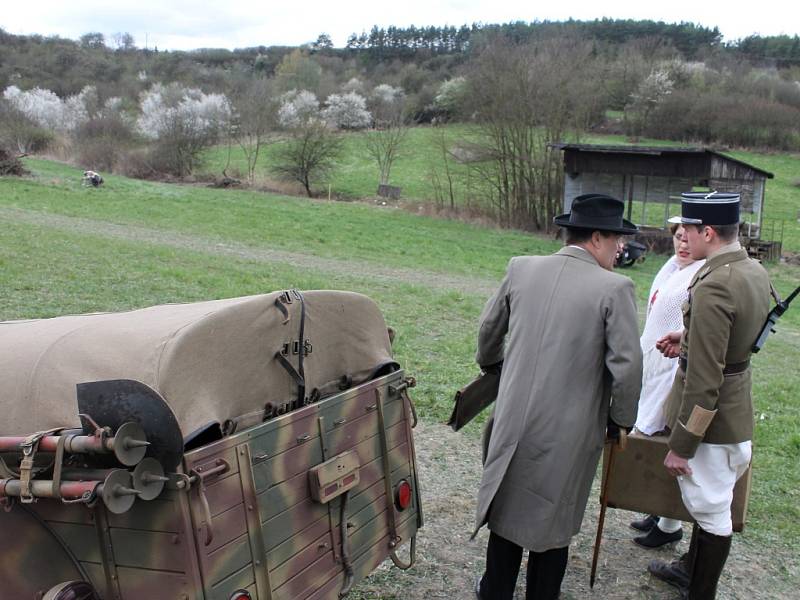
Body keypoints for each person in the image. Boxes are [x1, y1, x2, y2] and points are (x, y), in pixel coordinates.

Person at [472, 193, 643, 600]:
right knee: (553, 518)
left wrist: (495, 368)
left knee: (508, 507)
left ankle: (494, 591)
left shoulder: (521, 268)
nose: (621, 248)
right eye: (618, 239)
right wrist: (621, 420)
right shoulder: (615, 288)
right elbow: (628, 367)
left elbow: (487, 334)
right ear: (597, 237)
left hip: (513, 417)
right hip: (570, 430)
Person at [647, 192, 771, 599]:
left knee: (713, 510)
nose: (684, 235)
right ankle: (689, 569)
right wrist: (688, 335)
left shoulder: (715, 283)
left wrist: (682, 444)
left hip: (714, 422)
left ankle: (700, 591)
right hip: (735, 405)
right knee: (710, 502)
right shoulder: (749, 269)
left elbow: (704, 380)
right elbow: (736, 336)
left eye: (690, 229)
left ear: (709, 232)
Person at [630, 222, 705, 548]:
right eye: (678, 238)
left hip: (675, 365)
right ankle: (659, 512)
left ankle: (670, 522)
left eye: (689, 239)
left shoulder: (701, 274)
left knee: (668, 440)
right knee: (657, 441)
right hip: (656, 360)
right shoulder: (673, 266)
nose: (683, 245)